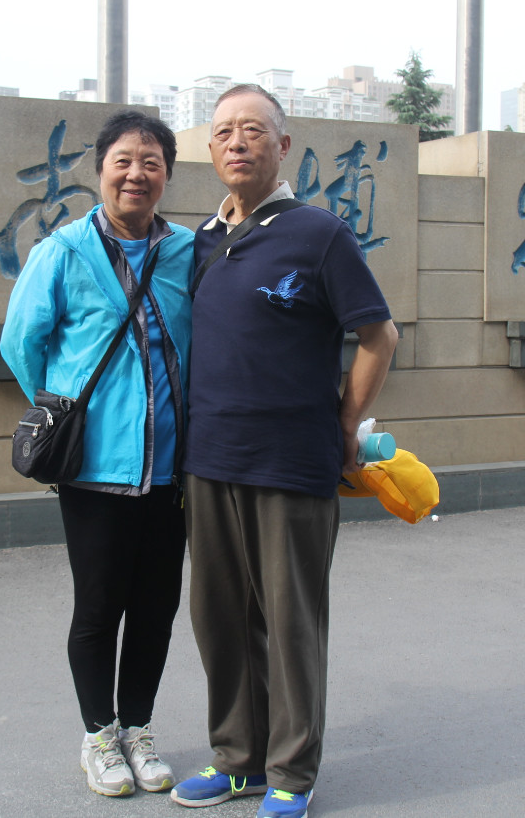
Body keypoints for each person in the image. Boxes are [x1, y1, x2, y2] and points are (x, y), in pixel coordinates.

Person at [171, 85, 399, 818]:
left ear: (283, 146)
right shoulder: (202, 240)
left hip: (292, 462)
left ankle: (292, 773)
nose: (236, 142)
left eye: (252, 130)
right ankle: (237, 760)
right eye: (222, 132)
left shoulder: (319, 233)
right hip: (209, 460)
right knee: (220, 619)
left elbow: (379, 335)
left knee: (290, 621)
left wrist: (346, 421)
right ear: (210, 149)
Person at [0, 110, 193, 799]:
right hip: (94, 470)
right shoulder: (64, 251)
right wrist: (67, 413)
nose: (136, 174)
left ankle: (137, 727)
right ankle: (98, 734)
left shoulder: (188, 251)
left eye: (151, 162)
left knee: (156, 608)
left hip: (171, 471)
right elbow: (21, 342)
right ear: (102, 170)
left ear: (166, 174)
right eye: (123, 161)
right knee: (99, 607)